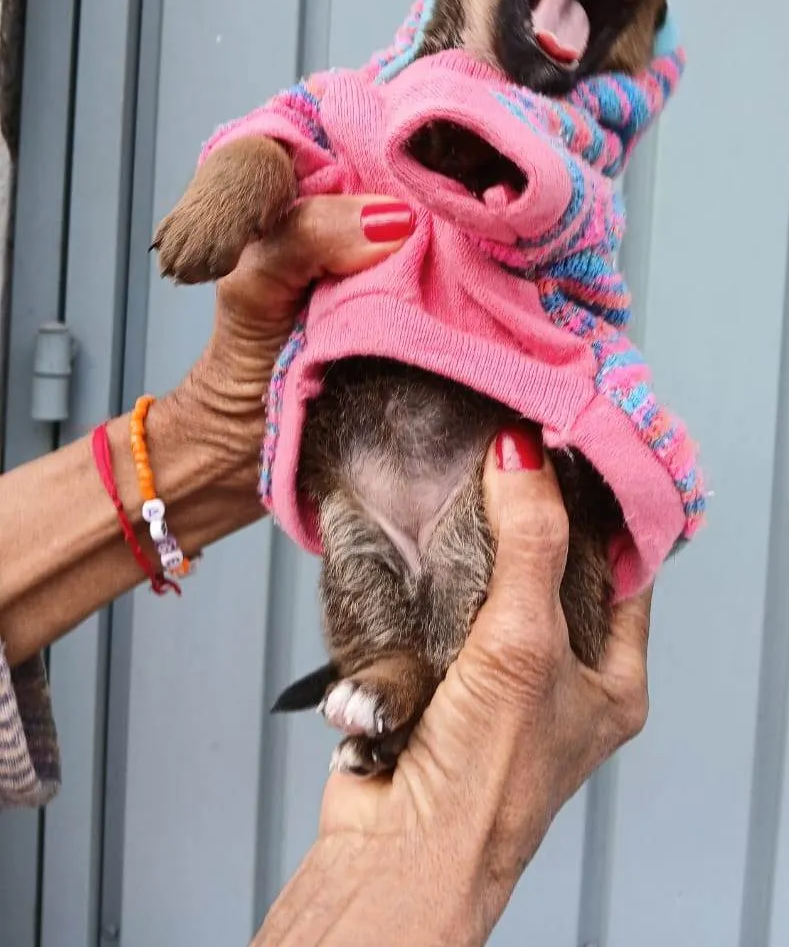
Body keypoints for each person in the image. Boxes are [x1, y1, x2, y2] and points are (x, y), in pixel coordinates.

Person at [0, 193, 653, 945]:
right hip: (390, 451)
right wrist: (416, 851)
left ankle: (400, 677)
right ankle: (400, 674)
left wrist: (205, 439)